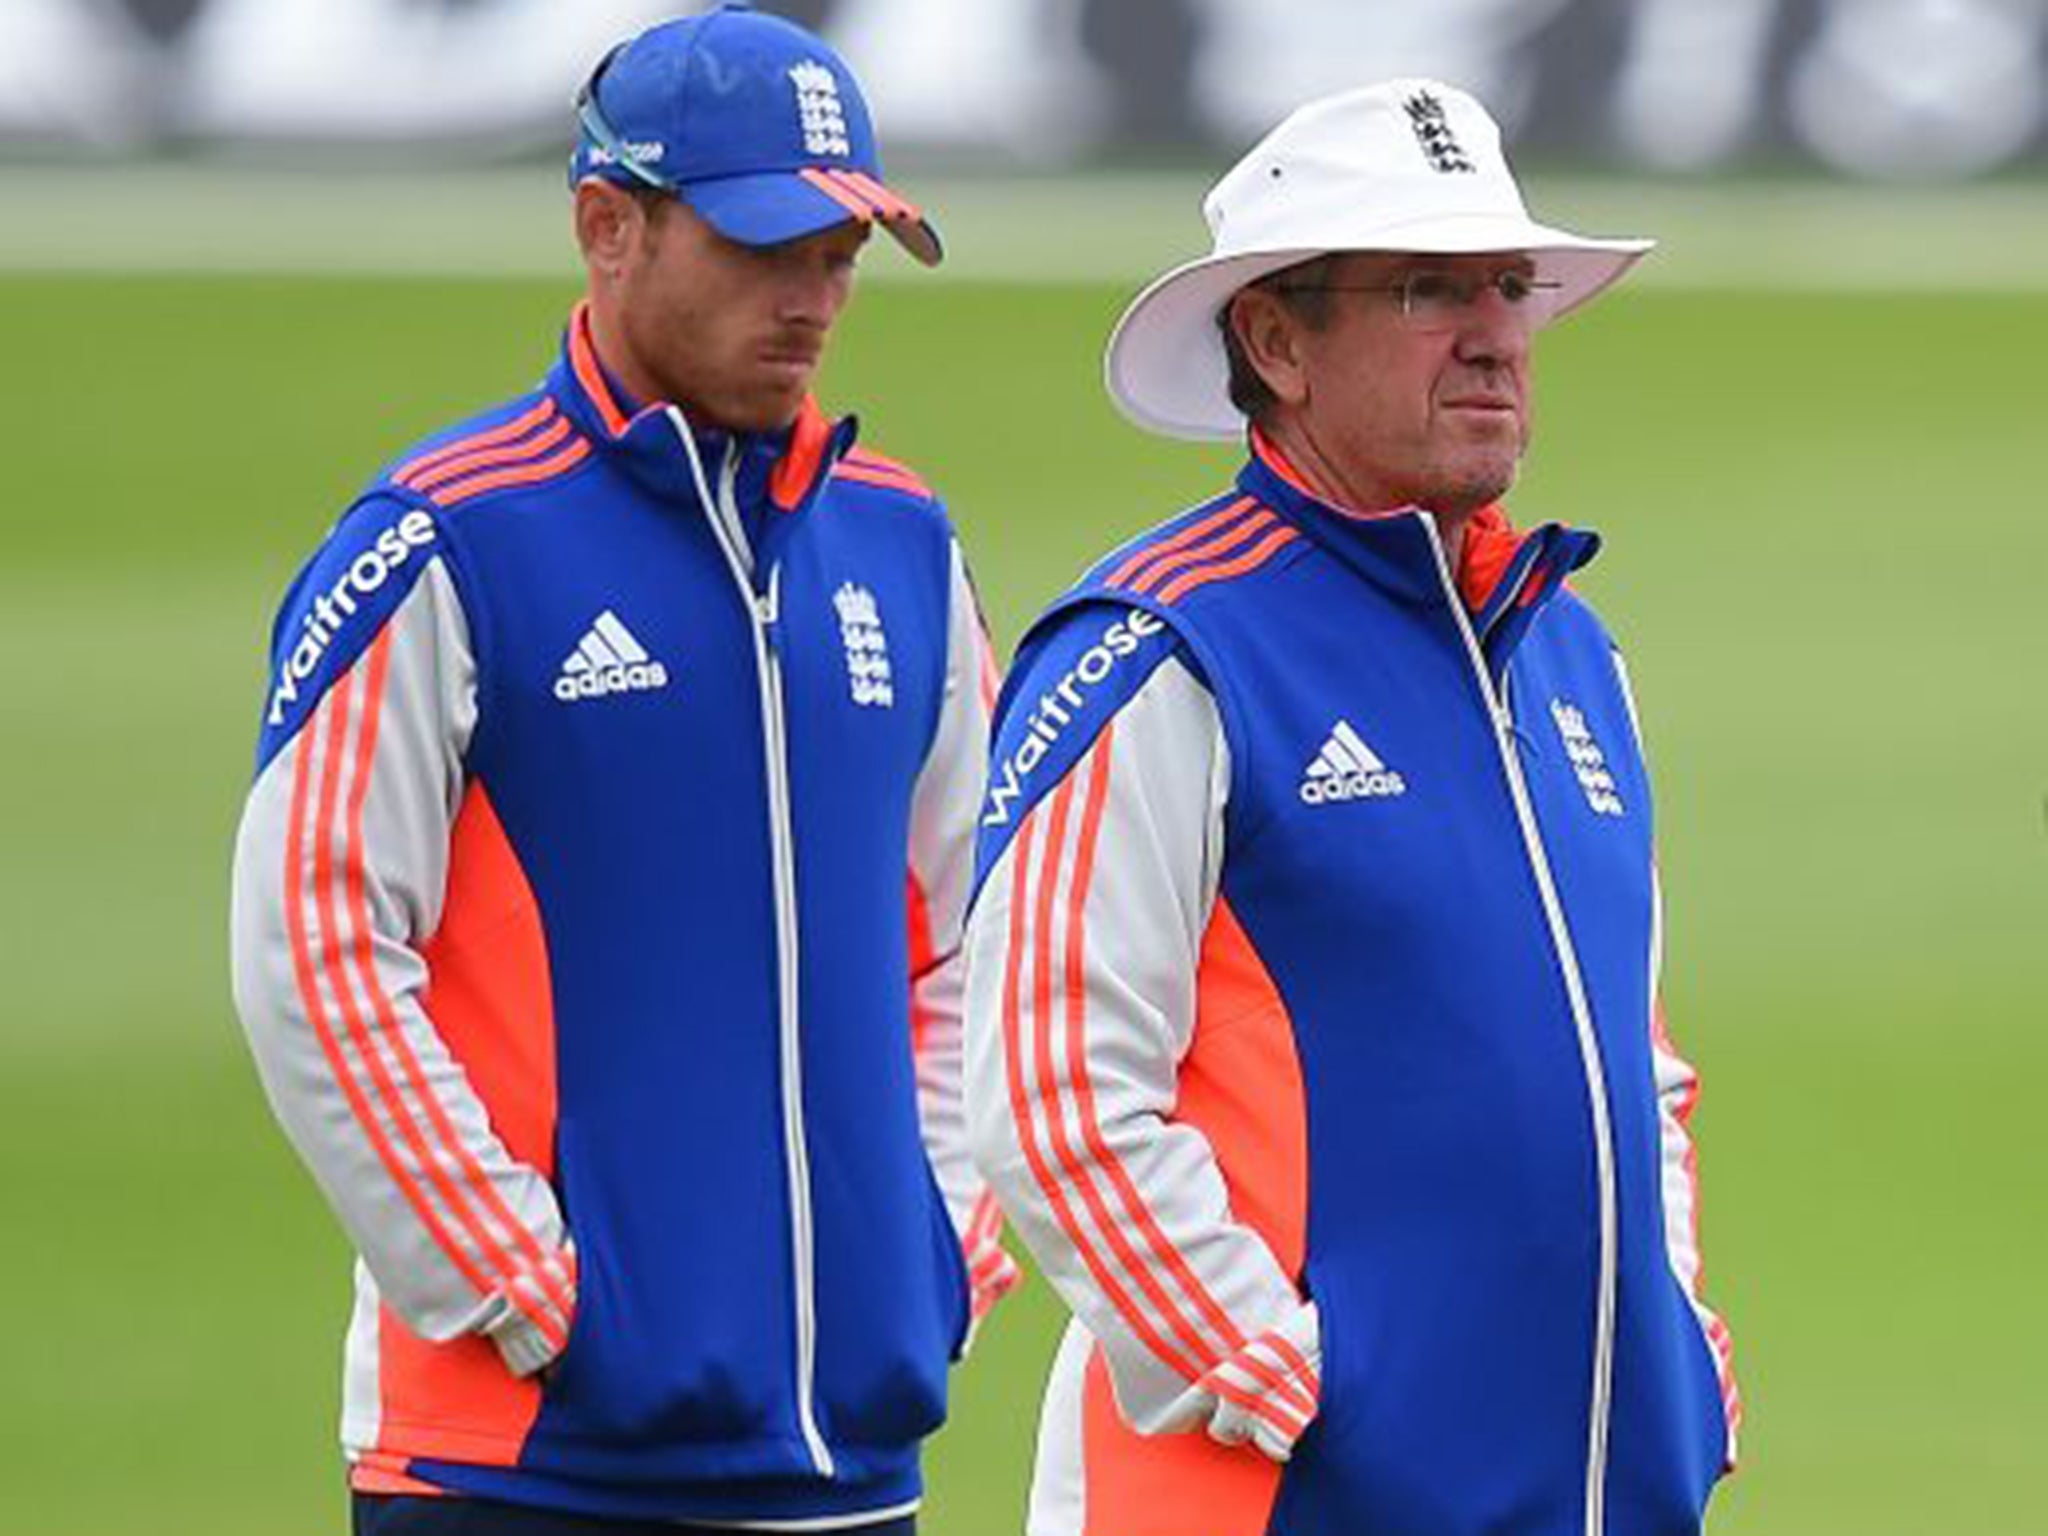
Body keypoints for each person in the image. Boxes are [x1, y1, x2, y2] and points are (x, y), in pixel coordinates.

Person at [229, 7, 1018, 1532]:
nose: (816, 297)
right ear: (609, 228)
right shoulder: (447, 540)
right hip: (518, 1470)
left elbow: (985, 938)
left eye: (842, 253)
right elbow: (314, 946)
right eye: (766, 247)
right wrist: (522, 1294)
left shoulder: (906, 544)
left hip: (847, 1471)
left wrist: (935, 1254)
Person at [963, 79, 1740, 1535]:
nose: (1497, 330)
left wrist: (1675, 1343)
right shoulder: (1160, 648)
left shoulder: (1571, 651)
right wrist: (1289, 1382)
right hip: (1280, 1498)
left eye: (1508, 284)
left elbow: (1637, 1070)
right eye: (1428, 288)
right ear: (1276, 339)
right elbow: (1055, 1092)